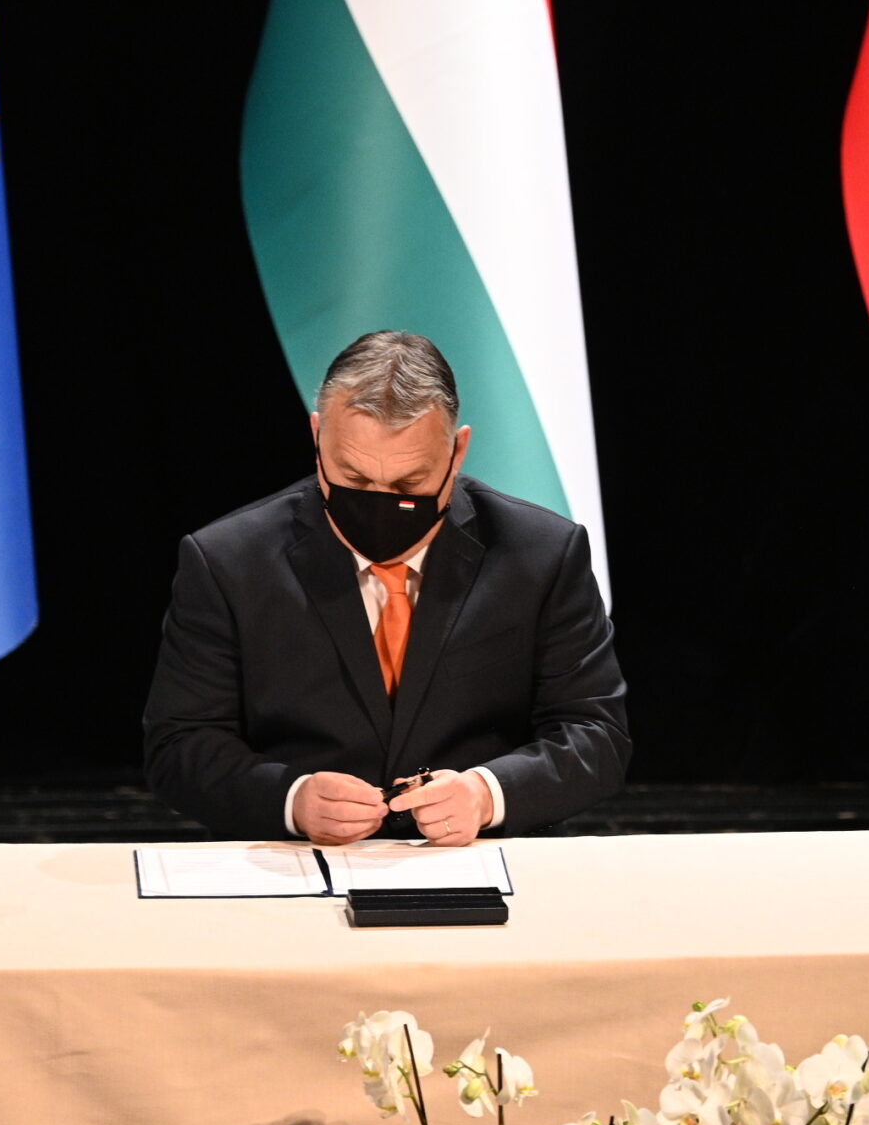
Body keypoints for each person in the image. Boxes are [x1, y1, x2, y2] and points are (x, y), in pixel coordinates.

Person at [144, 332, 628, 844]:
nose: (379, 505)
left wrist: (486, 794)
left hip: (485, 855)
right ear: (317, 436)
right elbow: (180, 744)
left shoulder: (542, 554)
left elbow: (596, 735)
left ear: (458, 451)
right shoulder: (227, 561)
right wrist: (290, 799)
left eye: (409, 485)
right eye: (353, 479)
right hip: (294, 862)